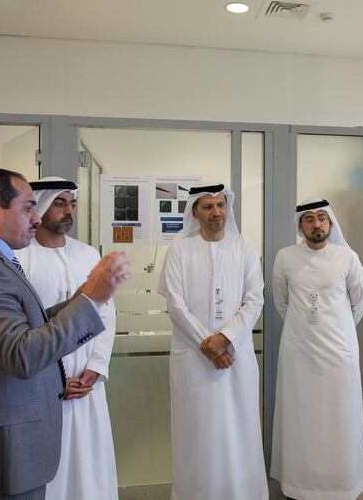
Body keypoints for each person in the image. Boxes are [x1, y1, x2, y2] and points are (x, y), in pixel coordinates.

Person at [0, 168, 130, 500]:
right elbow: (22, 353)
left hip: (14, 435)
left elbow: (30, 324)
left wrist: (84, 296)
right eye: (28, 208)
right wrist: (91, 298)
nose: (36, 218)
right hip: (1, 446)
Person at [157, 183, 268, 500]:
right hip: (193, 359)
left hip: (236, 356)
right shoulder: (179, 250)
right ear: (195, 212)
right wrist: (207, 344)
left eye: (221, 205)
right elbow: (175, 304)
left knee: (239, 430)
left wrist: (225, 338)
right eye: (208, 207)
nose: (216, 212)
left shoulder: (244, 247)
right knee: (198, 433)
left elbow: (254, 300)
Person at [14, 176, 118, 500]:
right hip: (41, 387)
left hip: (86, 385)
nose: (68, 211)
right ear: (40, 207)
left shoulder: (88, 255)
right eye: (59, 203)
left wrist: (95, 369)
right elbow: (21, 327)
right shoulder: (19, 258)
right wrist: (56, 377)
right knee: (49, 473)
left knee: (90, 470)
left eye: (71, 204)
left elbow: (107, 312)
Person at [270, 197, 363, 500]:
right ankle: (300, 486)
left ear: (330, 223)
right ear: (300, 225)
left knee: (340, 418)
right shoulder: (285, 257)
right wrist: (305, 329)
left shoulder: (347, 257)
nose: (317, 224)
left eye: (322, 218)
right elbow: (281, 302)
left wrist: (334, 328)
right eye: (309, 219)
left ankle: (341, 486)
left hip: (339, 353)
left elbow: (359, 302)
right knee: (302, 419)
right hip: (299, 352)